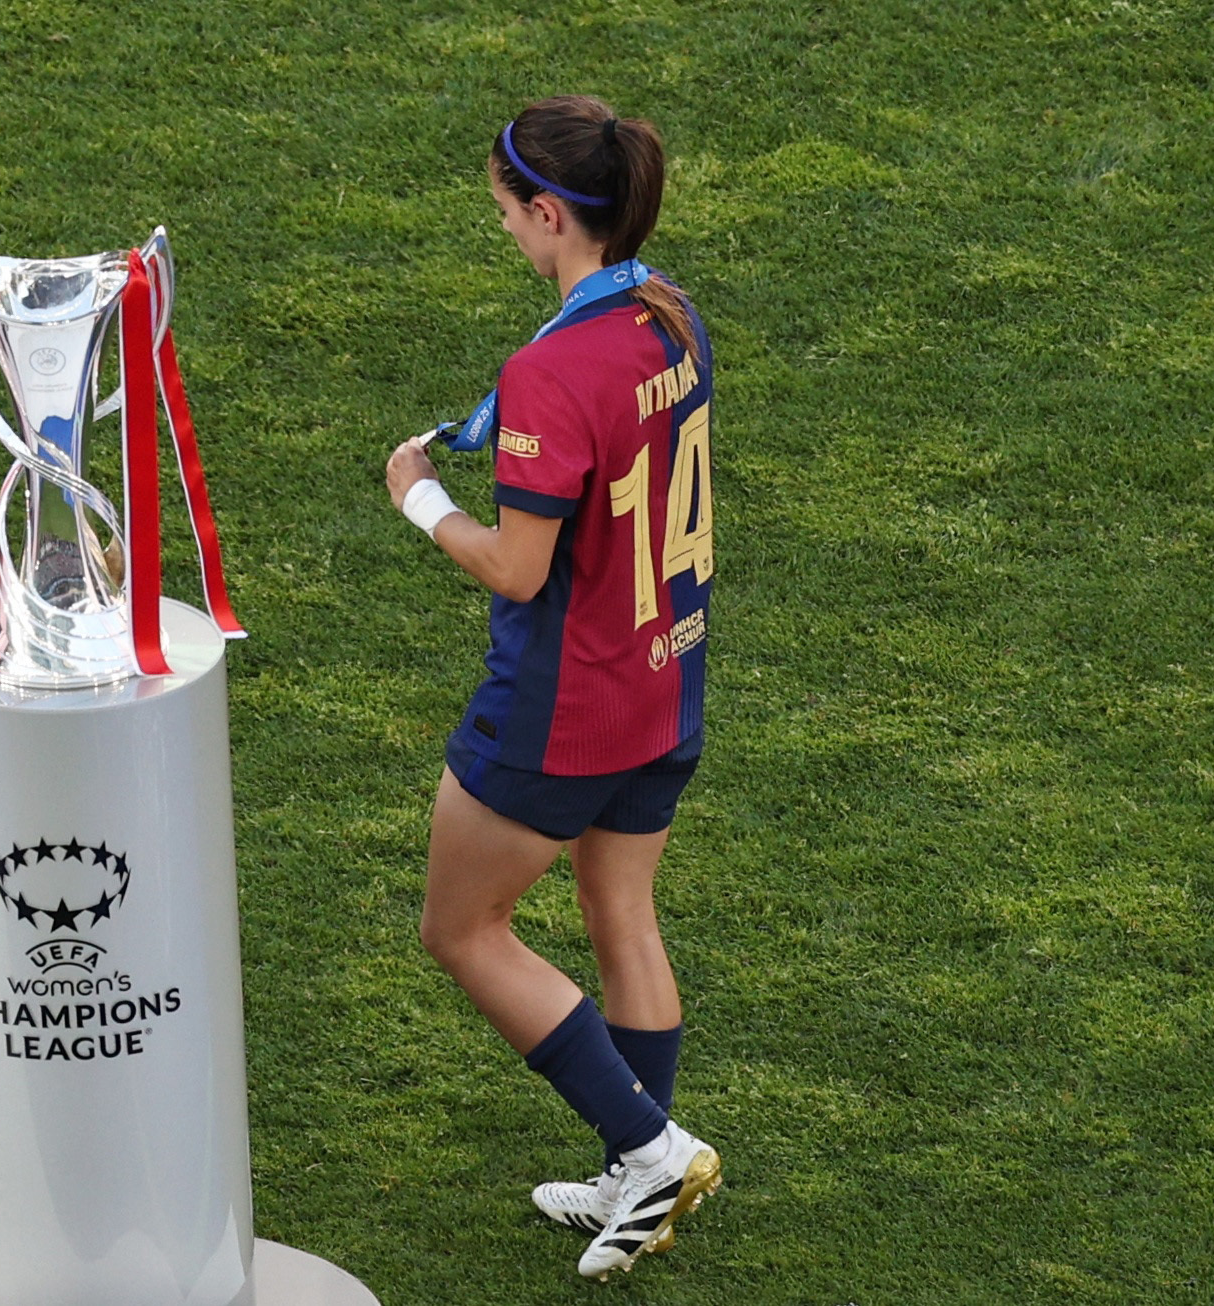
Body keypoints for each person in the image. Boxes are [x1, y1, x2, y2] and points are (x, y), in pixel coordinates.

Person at [384, 94, 720, 1281]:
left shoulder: (551, 368)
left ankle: (650, 1144)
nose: (509, 235)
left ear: (547, 211)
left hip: (561, 708)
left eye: (509, 216)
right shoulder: (666, 310)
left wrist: (419, 497)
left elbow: (518, 565)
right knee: (618, 913)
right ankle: (640, 1170)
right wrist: (497, 415)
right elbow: (594, 423)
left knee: (460, 927)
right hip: (662, 686)